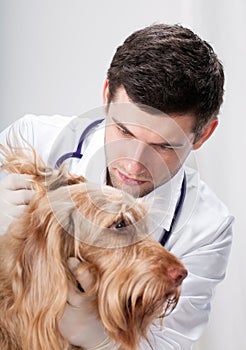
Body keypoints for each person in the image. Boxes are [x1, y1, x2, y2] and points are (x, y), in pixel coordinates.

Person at [0, 23, 233, 349]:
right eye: (125, 131)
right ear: (107, 96)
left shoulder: (207, 227)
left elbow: (171, 342)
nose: (134, 164)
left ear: (202, 135)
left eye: (164, 146)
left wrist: (104, 341)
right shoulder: (33, 139)